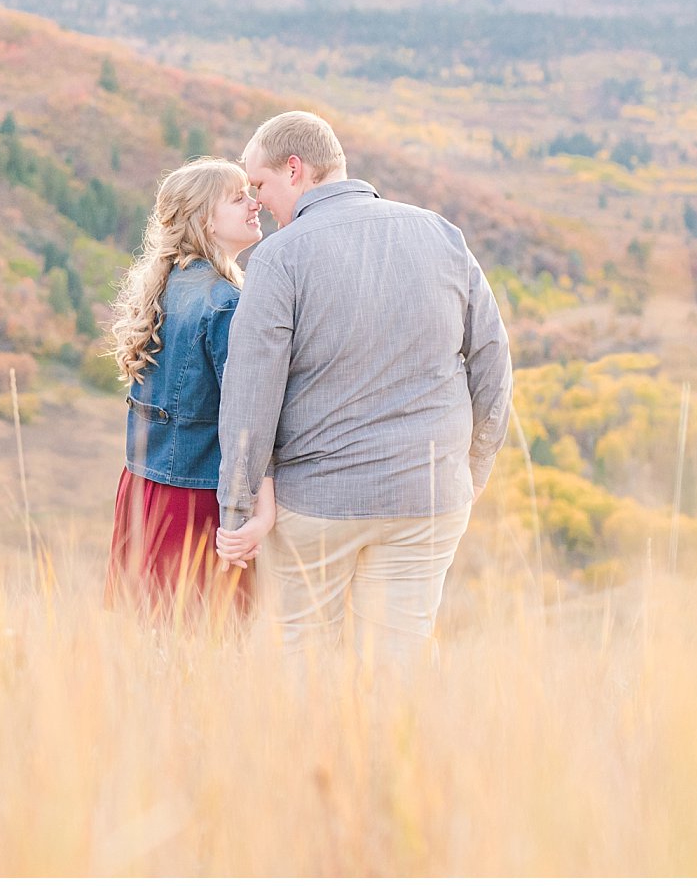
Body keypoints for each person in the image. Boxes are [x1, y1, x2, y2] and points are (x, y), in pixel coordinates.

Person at [213, 111, 513, 669]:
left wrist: (236, 511)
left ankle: (312, 758)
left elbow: (250, 392)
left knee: (300, 663)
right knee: (398, 669)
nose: (261, 203)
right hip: (427, 495)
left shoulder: (281, 256)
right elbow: (493, 366)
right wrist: (469, 471)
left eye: (259, 185)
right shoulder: (442, 235)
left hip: (317, 502)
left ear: (295, 169)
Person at [103, 157, 277, 615]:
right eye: (238, 198)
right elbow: (247, 418)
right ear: (204, 219)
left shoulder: (165, 285)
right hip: (194, 499)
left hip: (143, 488)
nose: (254, 203)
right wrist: (263, 508)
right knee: (207, 637)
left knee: (149, 632)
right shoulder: (226, 303)